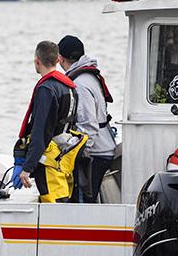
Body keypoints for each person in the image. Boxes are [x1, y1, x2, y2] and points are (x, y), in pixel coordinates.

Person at [12, 41, 84, 203]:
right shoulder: (69, 87)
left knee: (52, 206)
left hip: (49, 162)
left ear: (37, 60)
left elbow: (41, 131)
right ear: (57, 60)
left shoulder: (47, 89)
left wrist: (27, 168)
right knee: (62, 200)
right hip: (64, 157)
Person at [57, 35, 116, 203]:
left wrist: (76, 155)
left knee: (81, 204)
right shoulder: (88, 76)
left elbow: (88, 125)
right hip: (102, 148)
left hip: (94, 154)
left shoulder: (81, 84)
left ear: (60, 58)